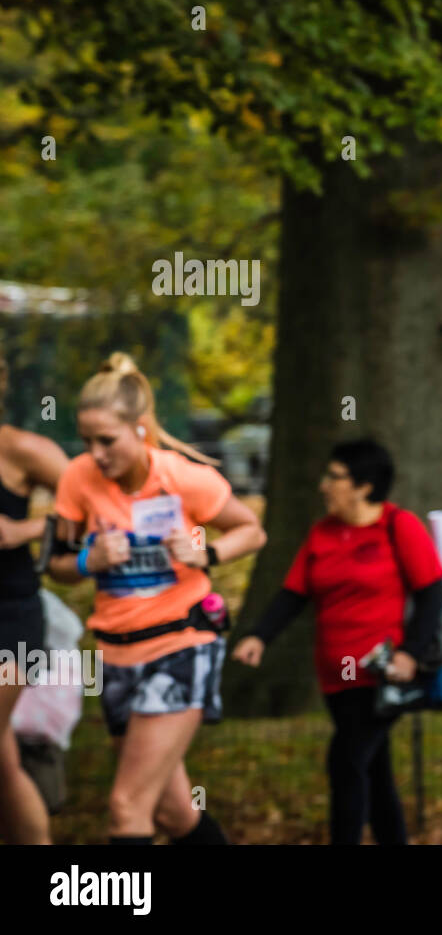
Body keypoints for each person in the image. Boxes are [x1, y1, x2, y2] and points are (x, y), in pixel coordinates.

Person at [48, 353, 265, 844]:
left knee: (127, 809)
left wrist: (204, 551)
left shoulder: (182, 477)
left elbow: (252, 531)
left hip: (181, 644)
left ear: (140, 427)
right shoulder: (78, 479)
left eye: (107, 440)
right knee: (174, 814)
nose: (97, 454)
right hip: (116, 655)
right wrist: (88, 561)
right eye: (87, 441)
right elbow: (58, 566)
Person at [233, 438, 442, 845]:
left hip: (382, 676)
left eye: (334, 477)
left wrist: (410, 654)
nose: (324, 485)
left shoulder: (398, 526)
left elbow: (432, 592)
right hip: (335, 679)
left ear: (364, 485)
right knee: (373, 772)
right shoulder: (322, 534)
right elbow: (294, 593)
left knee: (345, 762)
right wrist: (260, 636)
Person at [0, 353, 69, 844]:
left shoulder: (22, 450)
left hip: (11, 617)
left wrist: (20, 530)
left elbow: (92, 509)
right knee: (3, 762)